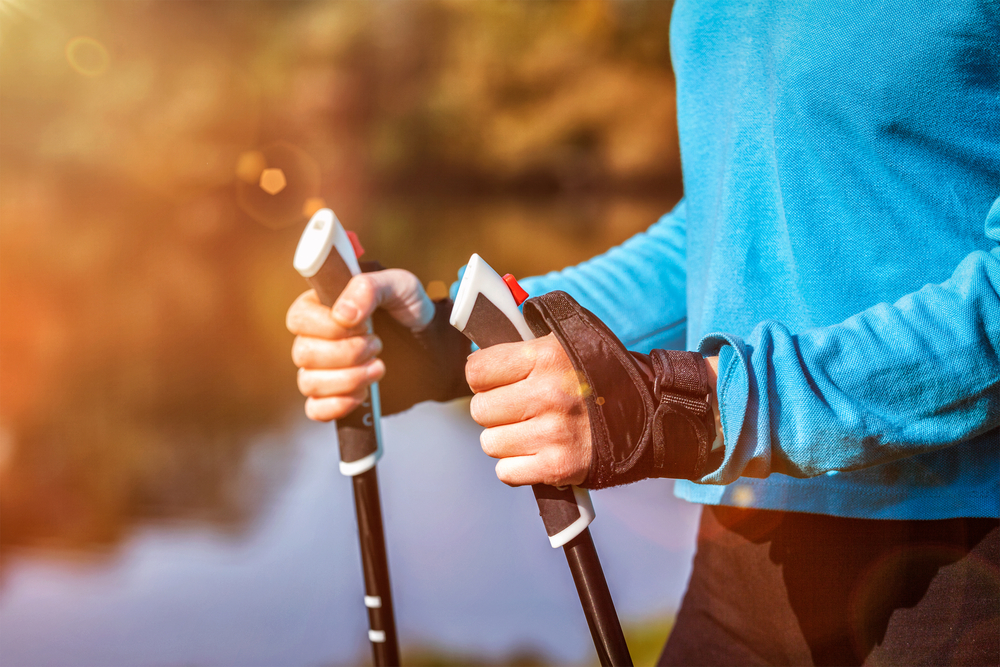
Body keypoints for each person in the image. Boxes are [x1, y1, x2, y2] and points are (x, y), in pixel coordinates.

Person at [286, 1, 999, 664]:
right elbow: (721, 232)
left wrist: (695, 408)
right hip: (742, 551)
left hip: (960, 560)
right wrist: (458, 341)